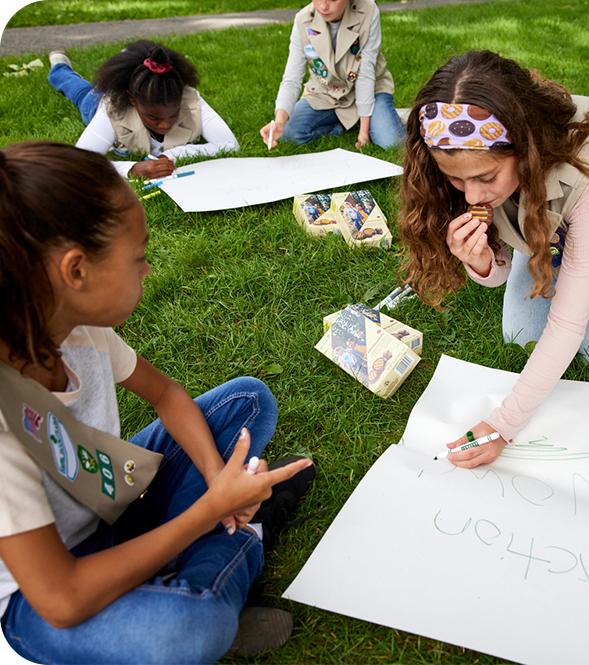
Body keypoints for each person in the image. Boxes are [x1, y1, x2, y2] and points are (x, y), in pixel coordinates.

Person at [0, 142, 316, 663]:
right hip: (37, 600)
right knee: (184, 634)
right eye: (139, 257)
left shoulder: (73, 326)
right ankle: (242, 540)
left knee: (246, 401)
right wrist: (212, 509)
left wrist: (218, 479)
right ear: (75, 271)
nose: (147, 270)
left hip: (110, 499)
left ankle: (205, 542)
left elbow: (167, 394)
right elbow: (62, 598)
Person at [398, 50, 589, 468]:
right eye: (456, 179)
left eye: (485, 178)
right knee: (520, 335)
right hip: (548, 227)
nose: (472, 196)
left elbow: (568, 324)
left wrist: (504, 423)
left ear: (524, 147)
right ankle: (570, 260)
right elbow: (494, 276)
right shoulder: (477, 169)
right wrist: (478, 261)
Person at [47, 40, 239, 180]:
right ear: (132, 99)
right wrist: (132, 168)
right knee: (79, 91)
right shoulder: (112, 109)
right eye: (153, 117)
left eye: (173, 115)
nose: (164, 124)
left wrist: (173, 155)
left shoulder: (191, 100)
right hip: (97, 102)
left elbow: (230, 145)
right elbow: (80, 162)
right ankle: (59, 67)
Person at [260, 0, 404, 150]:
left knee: (391, 142)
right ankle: (344, 124)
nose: (323, 6)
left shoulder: (367, 11)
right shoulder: (303, 21)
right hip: (325, 92)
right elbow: (291, 79)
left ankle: (369, 119)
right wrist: (279, 122)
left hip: (371, 90)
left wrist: (363, 133)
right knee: (289, 133)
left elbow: (365, 75)